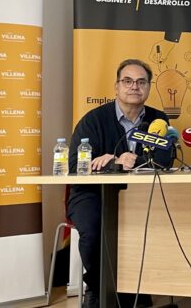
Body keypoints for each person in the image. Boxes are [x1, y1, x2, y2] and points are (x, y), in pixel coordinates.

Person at [67, 59, 170, 308]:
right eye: (128, 81)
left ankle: (137, 287)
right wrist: (113, 161)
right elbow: (74, 165)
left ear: (148, 87)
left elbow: (165, 159)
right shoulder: (94, 120)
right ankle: (98, 287)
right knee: (93, 231)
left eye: (141, 82)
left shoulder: (158, 119)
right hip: (93, 193)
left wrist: (132, 161)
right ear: (116, 86)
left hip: (139, 194)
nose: (134, 86)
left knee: (161, 225)